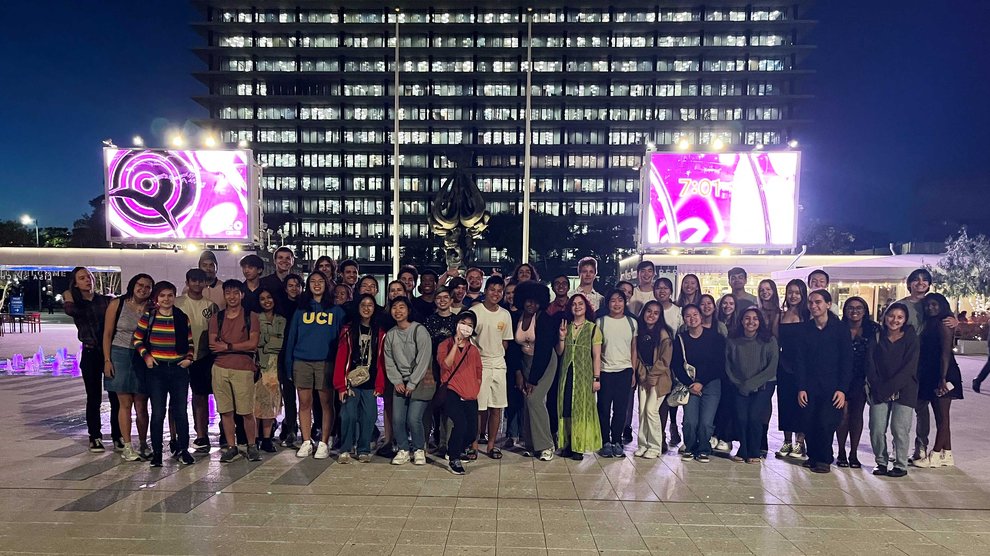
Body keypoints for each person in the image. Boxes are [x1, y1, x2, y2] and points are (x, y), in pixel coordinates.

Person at [132, 281, 195, 467]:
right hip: (157, 371)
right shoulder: (149, 316)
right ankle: (158, 453)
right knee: (158, 413)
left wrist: (189, 359)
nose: (166, 299)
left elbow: (190, 342)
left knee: (181, 412)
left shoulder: (182, 317)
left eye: (169, 295)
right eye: (162, 296)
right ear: (156, 298)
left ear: (174, 297)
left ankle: (184, 449)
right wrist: (147, 357)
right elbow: (137, 339)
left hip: (178, 370)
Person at [284, 270, 344, 460]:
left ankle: (324, 442)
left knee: (327, 403)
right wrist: (288, 365)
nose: (317, 284)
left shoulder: (335, 310)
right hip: (302, 361)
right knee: (304, 403)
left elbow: (342, 341)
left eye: (321, 281)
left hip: (326, 362)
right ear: (308, 285)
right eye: (313, 281)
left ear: (327, 285)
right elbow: (291, 338)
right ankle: (306, 441)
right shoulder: (301, 309)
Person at [796, 290, 853, 473]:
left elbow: (847, 360)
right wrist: (801, 387)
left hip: (832, 386)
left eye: (818, 302)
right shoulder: (805, 329)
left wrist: (842, 389)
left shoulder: (840, 329)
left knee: (826, 422)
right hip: (810, 385)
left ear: (828, 304)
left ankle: (825, 459)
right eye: (811, 303)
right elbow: (801, 360)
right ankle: (813, 456)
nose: (814, 306)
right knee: (809, 420)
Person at [64, 267, 119, 453]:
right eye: (82, 278)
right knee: (94, 397)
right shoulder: (76, 304)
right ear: (75, 283)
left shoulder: (106, 300)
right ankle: (94, 436)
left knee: (115, 396)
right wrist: (69, 295)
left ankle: (118, 435)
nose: (87, 280)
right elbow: (70, 311)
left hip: (110, 353)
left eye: (89, 276)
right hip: (90, 353)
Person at [209, 279, 262, 463]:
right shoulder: (217, 318)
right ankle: (231, 447)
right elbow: (213, 345)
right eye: (228, 293)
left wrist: (228, 345)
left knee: (246, 411)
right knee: (226, 411)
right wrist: (236, 347)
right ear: (224, 295)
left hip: (243, 369)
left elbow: (252, 344)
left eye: (235, 293)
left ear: (242, 294)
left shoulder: (251, 317)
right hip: (220, 368)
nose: (232, 297)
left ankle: (251, 445)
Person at [102, 273, 154, 460]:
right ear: (133, 285)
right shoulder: (118, 304)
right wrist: (107, 360)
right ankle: (127, 445)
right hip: (120, 354)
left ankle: (143, 443)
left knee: (141, 404)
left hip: (142, 356)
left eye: (148, 287)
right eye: (140, 285)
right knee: (125, 403)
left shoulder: (152, 307)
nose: (143, 289)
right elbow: (107, 334)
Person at [507, 281, 558, 462]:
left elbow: (544, 351)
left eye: (535, 302)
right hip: (525, 362)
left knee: (534, 399)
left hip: (544, 363)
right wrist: (519, 373)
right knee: (526, 401)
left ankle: (546, 445)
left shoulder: (544, 318)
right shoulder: (516, 318)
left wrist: (533, 379)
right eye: (528, 301)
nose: (531, 305)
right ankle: (530, 444)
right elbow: (513, 349)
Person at [867, 302, 919, 478]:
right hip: (879, 389)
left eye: (899, 317)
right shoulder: (876, 336)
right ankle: (881, 462)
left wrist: (891, 387)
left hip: (905, 389)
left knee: (899, 428)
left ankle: (900, 464)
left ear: (905, 320)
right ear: (885, 316)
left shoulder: (911, 337)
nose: (894, 320)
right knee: (876, 427)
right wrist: (879, 387)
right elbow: (870, 364)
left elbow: (909, 366)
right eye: (891, 316)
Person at [333, 294, 387, 463]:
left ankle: (363, 448)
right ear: (357, 307)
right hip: (351, 383)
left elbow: (382, 361)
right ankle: (345, 449)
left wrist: (380, 384)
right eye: (363, 304)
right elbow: (341, 358)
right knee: (348, 415)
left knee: (369, 416)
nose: (366, 308)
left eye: (370, 305)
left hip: (370, 383)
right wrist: (341, 386)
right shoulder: (348, 330)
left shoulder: (380, 332)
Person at [912, 293, 963, 468]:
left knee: (942, 417)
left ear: (942, 305)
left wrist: (942, 378)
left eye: (934, 305)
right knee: (940, 415)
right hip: (934, 373)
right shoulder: (930, 323)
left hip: (944, 374)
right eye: (927, 305)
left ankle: (934, 454)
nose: (931, 308)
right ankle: (947, 453)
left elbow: (945, 353)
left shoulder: (944, 323)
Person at [673, 304, 726, 463]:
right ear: (684, 320)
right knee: (690, 420)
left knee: (706, 421)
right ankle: (689, 447)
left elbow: (718, 364)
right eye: (688, 316)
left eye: (695, 314)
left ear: (701, 316)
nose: (692, 318)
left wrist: (701, 382)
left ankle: (704, 448)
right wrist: (691, 383)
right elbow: (676, 364)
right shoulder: (681, 339)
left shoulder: (715, 338)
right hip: (689, 384)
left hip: (711, 383)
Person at [384, 297, 434, 465]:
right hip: (399, 382)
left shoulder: (419, 330)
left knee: (413, 418)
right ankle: (403, 449)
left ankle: (419, 449)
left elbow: (424, 358)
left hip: (419, 381)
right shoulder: (390, 334)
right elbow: (389, 360)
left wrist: (412, 383)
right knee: (397, 418)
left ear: (409, 310)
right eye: (394, 308)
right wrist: (397, 380)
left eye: (402, 307)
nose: (398, 311)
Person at [726, 307, 778, 464]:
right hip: (739, 385)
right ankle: (743, 448)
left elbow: (771, 368)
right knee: (741, 418)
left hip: (764, 385)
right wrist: (739, 383)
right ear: (741, 321)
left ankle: (754, 450)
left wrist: (751, 384)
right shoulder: (733, 340)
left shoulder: (769, 340)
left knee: (754, 417)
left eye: (755, 319)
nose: (751, 322)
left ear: (760, 322)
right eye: (747, 318)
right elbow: (728, 365)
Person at [174, 269, 218, 454]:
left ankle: (202, 434)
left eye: (201, 281)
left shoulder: (211, 306)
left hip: (203, 356)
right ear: (187, 281)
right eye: (194, 281)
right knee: (177, 399)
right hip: (178, 356)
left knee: (200, 396)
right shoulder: (177, 302)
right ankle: (176, 436)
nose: (198, 284)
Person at [469, 276, 514, 459]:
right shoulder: (475, 311)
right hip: (480, 363)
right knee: (479, 407)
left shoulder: (505, 314)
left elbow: (505, 342)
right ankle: (473, 445)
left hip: (498, 364)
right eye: (492, 289)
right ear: (485, 291)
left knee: (496, 407)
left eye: (499, 291)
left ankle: (491, 445)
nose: (495, 294)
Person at [555, 293, 603, 459]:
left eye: (580, 303)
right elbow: (560, 352)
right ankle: (567, 444)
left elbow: (596, 356)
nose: (577, 306)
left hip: (584, 376)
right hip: (567, 374)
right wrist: (561, 338)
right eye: (574, 304)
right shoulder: (566, 327)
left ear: (586, 306)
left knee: (581, 409)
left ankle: (578, 446)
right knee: (566, 408)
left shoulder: (593, 328)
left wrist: (596, 378)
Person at [437, 312, 484, 475]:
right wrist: (456, 345)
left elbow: (479, 371)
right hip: (452, 391)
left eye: (470, 325)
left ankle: (454, 448)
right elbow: (445, 365)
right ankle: (454, 458)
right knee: (460, 423)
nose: (466, 327)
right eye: (463, 323)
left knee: (472, 431)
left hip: (470, 394)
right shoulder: (445, 345)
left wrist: (476, 387)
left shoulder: (474, 350)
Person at [595, 290, 637, 458]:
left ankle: (617, 441)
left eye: (620, 300)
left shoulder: (632, 322)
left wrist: (633, 371)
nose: (617, 304)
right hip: (606, 371)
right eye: (613, 300)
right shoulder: (600, 322)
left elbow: (634, 348)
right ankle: (605, 441)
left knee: (621, 409)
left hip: (625, 371)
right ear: (608, 303)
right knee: (604, 408)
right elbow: (597, 350)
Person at [836, 296, 876, 469]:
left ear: (865, 310)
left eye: (859, 307)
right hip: (841, 377)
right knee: (843, 415)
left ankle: (853, 453)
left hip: (862, 378)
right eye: (850, 308)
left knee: (857, 415)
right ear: (845, 311)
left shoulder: (873, 329)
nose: (854, 311)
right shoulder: (838, 328)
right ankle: (841, 452)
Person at [633, 300, 672, 458]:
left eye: (656, 313)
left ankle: (655, 446)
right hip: (643, 376)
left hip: (660, 378)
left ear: (660, 316)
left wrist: (652, 376)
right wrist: (642, 374)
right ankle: (643, 444)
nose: (651, 315)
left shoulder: (663, 334)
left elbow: (665, 360)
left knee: (651, 411)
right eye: (649, 311)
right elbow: (637, 357)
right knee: (642, 411)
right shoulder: (639, 331)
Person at [776, 280, 810, 460]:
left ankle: (800, 441)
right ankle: (787, 440)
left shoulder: (808, 315)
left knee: (802, 403)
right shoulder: (780, 315)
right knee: (785, 402)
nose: (793, 296)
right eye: (790, 292)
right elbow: (776, 341)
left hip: (803, 364)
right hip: (784, 363)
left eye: (797, 292)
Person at [422, 286, 457, 457]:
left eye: (445, 297)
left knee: (448, 407)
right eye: (439, 298)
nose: (442, 301)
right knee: (430, 405)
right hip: (433, 368)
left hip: (452, 370)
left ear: (451, 300)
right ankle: (425, 441)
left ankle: (445, 443)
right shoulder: (429, 321)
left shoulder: (458, 321)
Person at [254, 288, 285, 453]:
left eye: (269, 297)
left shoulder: (281, 320)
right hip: (259, 366)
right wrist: (270, 341)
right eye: (262, 298)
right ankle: (255, 439)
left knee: (271, 404)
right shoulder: (255, 319)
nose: (266, 301)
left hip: (276, 367)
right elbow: (254, 341)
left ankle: (267, 438)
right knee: (256, 403)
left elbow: (281, 344)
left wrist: (264, 342)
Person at [276, 273, 303, 447]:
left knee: (307, 396)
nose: (294, 288)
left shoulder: (306, 306)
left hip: (302, 354)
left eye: (297, 285)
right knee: (288, 394)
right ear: (285, 288)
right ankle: (291, 427)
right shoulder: (279, 306)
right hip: (283, 353)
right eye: (290, 285)